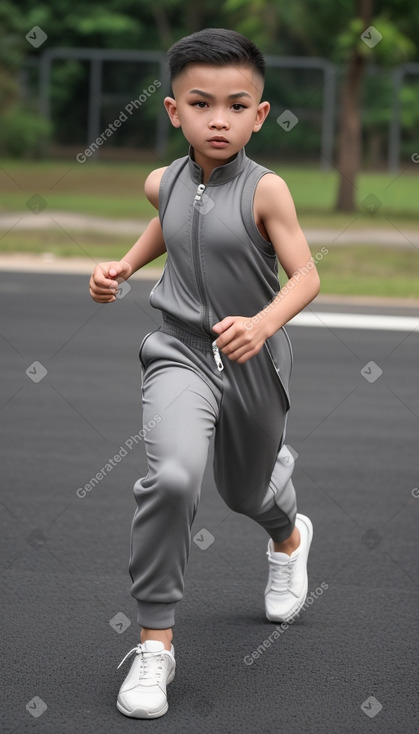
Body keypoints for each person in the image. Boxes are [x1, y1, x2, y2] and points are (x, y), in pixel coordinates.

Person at [89, 27, 320, 719]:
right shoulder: (161, 180)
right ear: (173, 112)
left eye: (235, 104)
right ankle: (154, 646)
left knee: (246, 491)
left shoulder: (266, 190)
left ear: (258, 113)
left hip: (252, 359)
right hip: (178, 352)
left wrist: (262, 323)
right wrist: (123, 268)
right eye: (201, 103)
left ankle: (290, 535)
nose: (217, 118)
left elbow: (306, 275)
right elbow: (167, 220)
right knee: (175, 478)